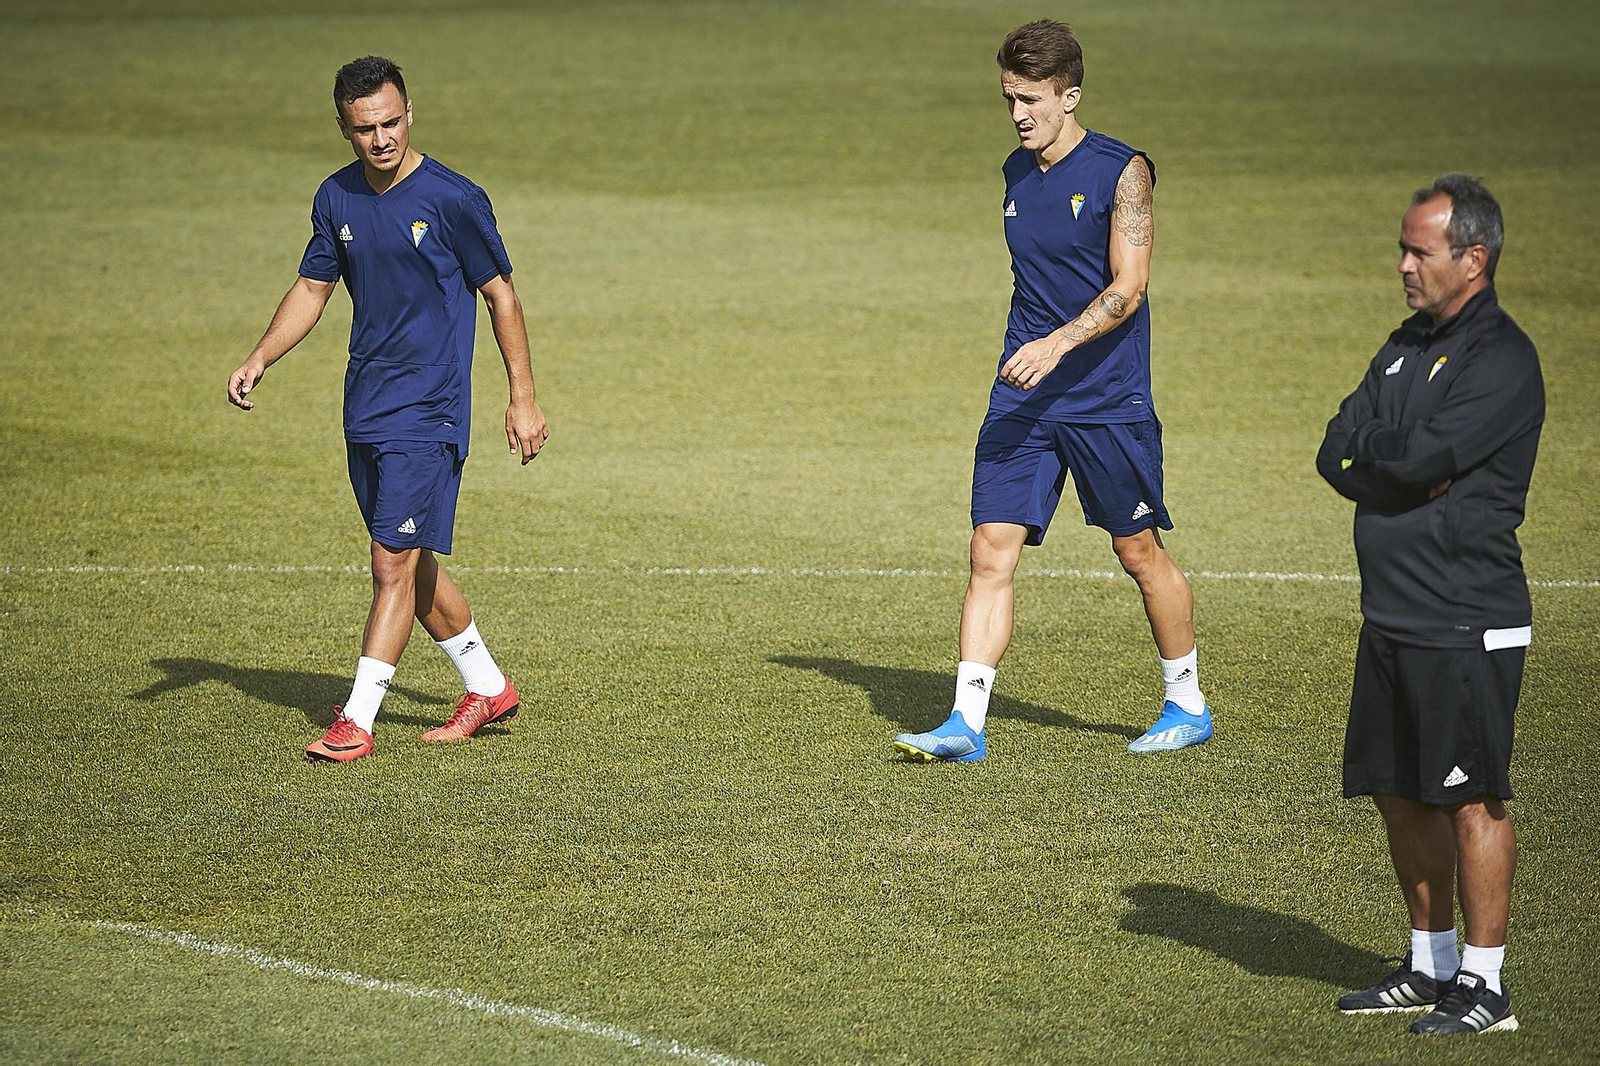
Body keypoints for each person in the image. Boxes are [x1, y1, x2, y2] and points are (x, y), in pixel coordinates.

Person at [893, 20, 1210, 763]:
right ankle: (964, 725)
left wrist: (1058, 343)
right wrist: (1030, 353)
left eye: (1032, 99)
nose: (1018, 114)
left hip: (1105, 397)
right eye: (1008, 98)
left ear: (1070, 96)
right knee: (990, 549)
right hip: (1023, 396)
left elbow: (1129, 289)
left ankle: (1187, 702)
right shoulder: (1014, 171)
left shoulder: (1122, 171)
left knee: (1138, 552)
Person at [226, 56, 549, 762]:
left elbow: (501, 295)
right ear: (344, 127)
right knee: (408, 554)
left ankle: (357, 720)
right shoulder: (335, 199)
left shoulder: (454, 199)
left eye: (392, 122)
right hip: (365, 406)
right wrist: (260, 356)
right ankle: (488, 687)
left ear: (411, 113)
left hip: (429, 409)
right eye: (366, 128)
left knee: (390, 561)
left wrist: (522, 397)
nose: (382, 139)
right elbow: (312, 289)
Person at [1317, 175, 1542, 1035]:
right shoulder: (1405, 344)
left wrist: (1397, 458)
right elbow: (1337, 451)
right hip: (1393, 615)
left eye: (1420, 251)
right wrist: (1395, 454)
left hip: (1466, 614)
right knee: (1399, 792)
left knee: (1470, 797)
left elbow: (1417, 460)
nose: (1403, 265)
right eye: (1404, 248)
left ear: (1472, 259)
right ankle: (1430, 963)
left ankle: (1487, 988)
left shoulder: (1502, 360)